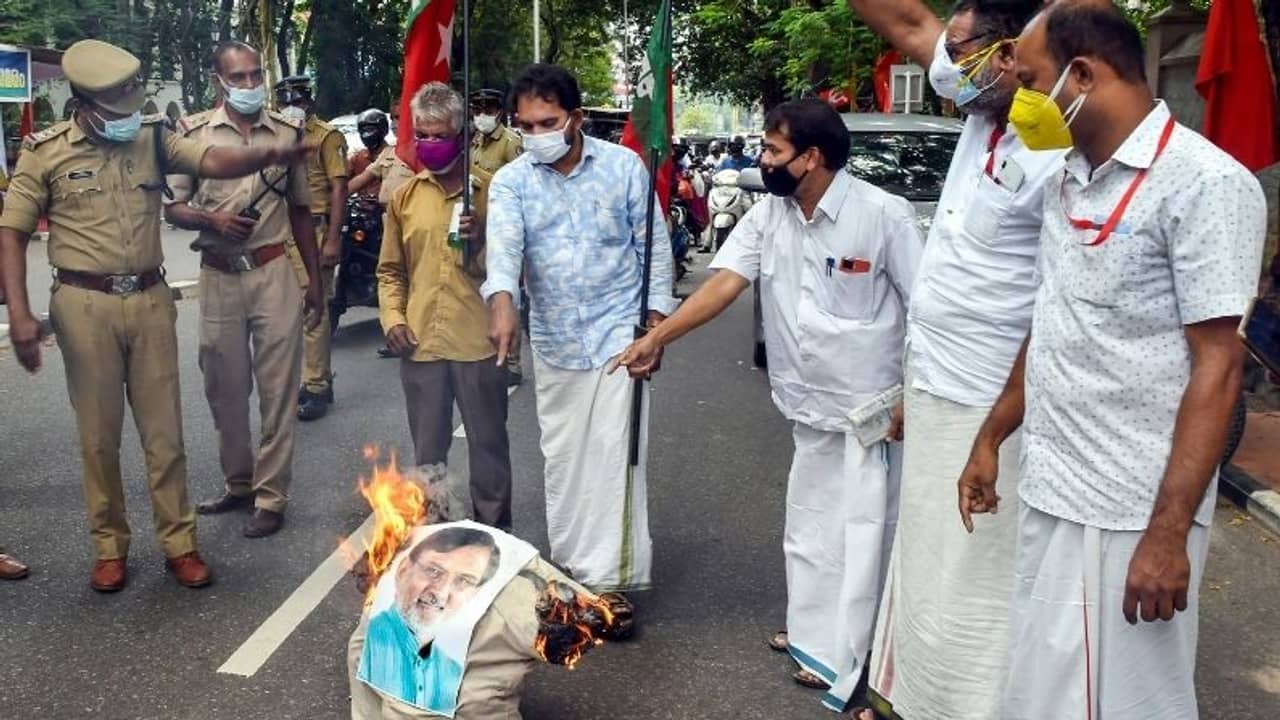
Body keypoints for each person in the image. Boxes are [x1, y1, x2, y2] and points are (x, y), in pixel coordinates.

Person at [956, 4, 1264, 717]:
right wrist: (992, 436)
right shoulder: (1068, 175)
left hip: (1132, 510)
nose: (1020, 98)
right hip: (1055, 487)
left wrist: (1166, 535)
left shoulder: (1206, 183)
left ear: (1083, 75)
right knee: (1042, 693)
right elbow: (1053, 315)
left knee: (1130, 704)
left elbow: (1217, 367)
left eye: (1029, 79)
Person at [615, 99, 921, 710]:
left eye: (774, 150)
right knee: (809, 529)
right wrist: (658, 336)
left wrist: (912, 395)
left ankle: (858, 659)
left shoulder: (884, 215)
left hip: (872, 416)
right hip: (809, 409)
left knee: (863, 535)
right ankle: (813, 638)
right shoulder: (769, 216)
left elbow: (925, 312)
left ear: (811, 159)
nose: (764, 160)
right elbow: (724, 283)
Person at [0, 39, 311, 591]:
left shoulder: (150, 138)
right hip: (83, 303)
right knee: (98, 438)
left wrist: (267, 155)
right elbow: (13, 231)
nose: (128, 116)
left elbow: (212, 159)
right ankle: (109, 547)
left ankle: (179, 543)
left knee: (164, 434)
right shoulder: (45, 152)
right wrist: (20, 313)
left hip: (149, 298)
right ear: (85, 104)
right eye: (116, 107)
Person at [841, 0, 1063, 716]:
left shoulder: (1057, 147)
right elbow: (905, 21)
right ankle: (908, 697)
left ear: (1011, 58)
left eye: (962, 54)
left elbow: (1058, 303)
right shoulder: (980, 116)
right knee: (928, 563)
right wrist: (912, 384)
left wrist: (998, 429)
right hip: (937, 382)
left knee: (981, 576)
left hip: (1000, 401)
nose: (946, 71)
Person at [482, 64, 677, 594]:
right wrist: (502, 304)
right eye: (526, 126)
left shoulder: (624, 168)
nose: (536, 136)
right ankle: (572, 569)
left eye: (548, 123)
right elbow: (503, 251)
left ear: (577, 118)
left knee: (615, 457)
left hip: (619, 332)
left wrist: (655, 328)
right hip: (554, 338)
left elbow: (653, 250)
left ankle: (613, 585)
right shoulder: (511, 181)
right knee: (565, 460)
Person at [164, 41, 323, 540]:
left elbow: (301, 212)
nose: (251, 85)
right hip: (217, 275)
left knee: (278, 391)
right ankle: (239, 484)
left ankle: (272, 496)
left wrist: (315, 282)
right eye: (239, 78)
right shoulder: (192, 135)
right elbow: (172, 208)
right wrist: (213, 218)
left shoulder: (288, 132)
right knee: (224, 390)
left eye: (257, 76)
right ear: (219, 81)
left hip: (272, 270)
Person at [378, 82, 513, 530]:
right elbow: (390, 271)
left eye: (439, 135)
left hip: (478, 343)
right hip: (420, 345)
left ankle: (495, 537)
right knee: (428, 456)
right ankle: (432, 540)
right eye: (422, 135)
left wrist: (478, 245)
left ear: (462, 137)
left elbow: (509, 275)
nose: (429, 144)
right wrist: (393, 318)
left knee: (489, 448)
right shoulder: (405, 198)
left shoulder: (494, 195)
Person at [358, 526, 500, 713]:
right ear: (403, 570)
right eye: (433, 571)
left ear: (474, 594)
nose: (440, 592)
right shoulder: (367, 645)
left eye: (464, 581)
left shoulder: (451, 670)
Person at [275, 75, 350, 422]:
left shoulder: (326, 136)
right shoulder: (276, 136)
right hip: (282, 231)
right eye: (285, 101)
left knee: (314, 308)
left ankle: (317, 385)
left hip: (317, 228)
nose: (293, 108)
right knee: (289, 312)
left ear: (310, 101)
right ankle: (307, 380)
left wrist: (333, 238)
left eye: (299, 101)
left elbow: (339, 189)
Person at [469, 88, 526, 388]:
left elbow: (518, 183)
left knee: (504, 292)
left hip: (503, 229)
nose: (481, 115)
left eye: (487, 109)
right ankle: (490, 353)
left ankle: (512, 362)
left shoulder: (510, 143)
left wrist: (475, 173)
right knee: (482, 292)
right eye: (476, 109)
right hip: (477, 226)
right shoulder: (475, 141)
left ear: (499, 112)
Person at [350, 108, 391, 202]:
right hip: (363, 211)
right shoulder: (357, 158)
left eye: (370, 129)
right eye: (362, 130)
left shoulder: (394, 157)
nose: (366, 134)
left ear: (382, 129)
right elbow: (342, 185)